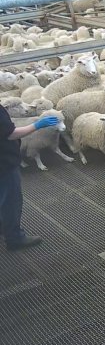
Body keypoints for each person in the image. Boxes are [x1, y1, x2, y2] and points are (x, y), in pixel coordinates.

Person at [0, 104, 60, 250]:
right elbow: (11, 133)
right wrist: (37, 125)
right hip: (4, 164)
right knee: (10, 202)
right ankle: (14, 238)